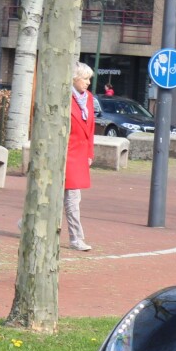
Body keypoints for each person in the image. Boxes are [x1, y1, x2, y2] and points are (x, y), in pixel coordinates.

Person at [65, 62, 96, 252]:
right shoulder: (64, 97)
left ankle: (26, 222)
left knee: (66, 197)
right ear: (74, 79)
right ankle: (76, 238)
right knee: (72, 199)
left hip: (80, 153)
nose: (88, 83)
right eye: (85, 79)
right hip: (67, 153)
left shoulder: (89, 99)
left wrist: (90, 153)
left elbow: (90, 128)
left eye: (89, 79)